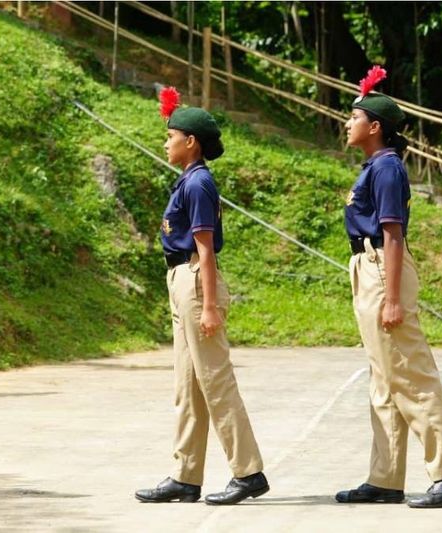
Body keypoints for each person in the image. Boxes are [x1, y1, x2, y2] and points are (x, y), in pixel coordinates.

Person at [335, 66, 442, 509]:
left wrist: (392, 298)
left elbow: (392, 234)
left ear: (375, 127)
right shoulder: (376, 166)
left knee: (410, 372)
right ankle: (385, 478)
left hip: (383, 268)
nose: (347, 123)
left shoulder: (387, 168)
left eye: (354, 117)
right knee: (384, 378)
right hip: (370, 267)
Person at [135, 88, 268, 506]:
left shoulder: (198, 184)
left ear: (190, 141)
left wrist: (209, 306)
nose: (166, 143)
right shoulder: (188, 181)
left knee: (215, 381)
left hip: (196, 282)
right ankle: (185, 475)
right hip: (182, 280)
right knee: (188, 386)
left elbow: (205, 250)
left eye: (170, 136)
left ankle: (248, 472)